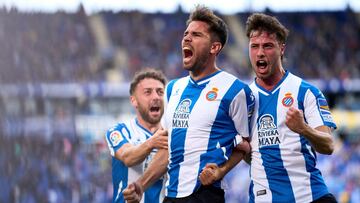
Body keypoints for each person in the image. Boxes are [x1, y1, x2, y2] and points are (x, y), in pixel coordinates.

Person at [199, 13, 338, 202]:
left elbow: (328, 145)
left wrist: (303, 129)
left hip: (309, 196)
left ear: (281, 49)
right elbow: (245, 151)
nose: (260, 53)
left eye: (267, 46)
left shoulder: (306, 92)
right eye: (254, 46)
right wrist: (221, 169)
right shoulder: (242, 98)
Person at [123, 5, 254, 203]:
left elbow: (247, 146)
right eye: (186, 33)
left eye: (196, 34)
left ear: (214, 47)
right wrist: (141, 184)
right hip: (171, 196)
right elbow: (168, 147)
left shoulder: (235, 90)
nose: (186, 38)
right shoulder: (173, 89)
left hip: (205, 195)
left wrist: (221, 170)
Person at [104, 68, 168, 203]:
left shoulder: (172, 134)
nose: (156, 97)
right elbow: (128, 157)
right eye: (148, 92)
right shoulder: (119, 131)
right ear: (134, 101)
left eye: (160, 92)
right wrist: (152, 142)